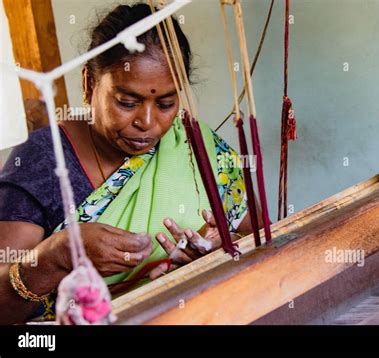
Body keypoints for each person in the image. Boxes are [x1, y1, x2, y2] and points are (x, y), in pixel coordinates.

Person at [0, 3, 258, 324]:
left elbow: (260, 239)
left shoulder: (193, 144)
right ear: (89, 84)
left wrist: (216, 255)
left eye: (166, 103)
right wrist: (58, 255)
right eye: (127, 102)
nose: (147, 122)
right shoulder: (41, 160)